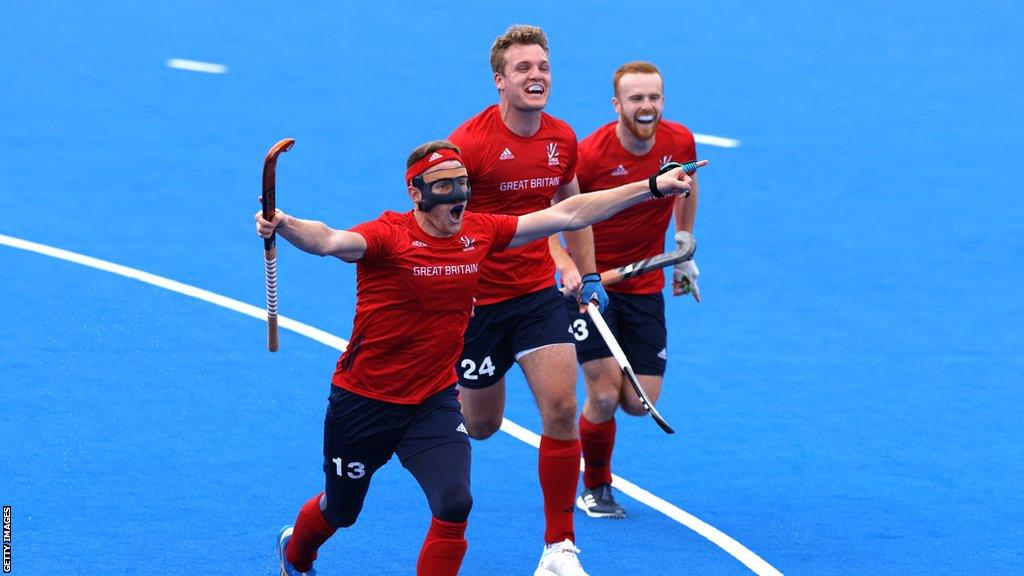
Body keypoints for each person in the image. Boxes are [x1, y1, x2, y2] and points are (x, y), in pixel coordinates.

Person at [256, 139, 701, 576]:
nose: (458, 196)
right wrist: (287, 224)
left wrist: (653, 186)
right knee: (342, 510)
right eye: (444, 186)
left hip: (431, 402)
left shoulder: (480, 232)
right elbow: (331, 240)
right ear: (416, 193)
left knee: (455, 503)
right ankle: (295, 555)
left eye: (462, 184)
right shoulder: (387, 237)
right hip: (364, 402)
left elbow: (567, 212)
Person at [446, 24, 605, 576]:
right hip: (477, 304)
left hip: (536, 295)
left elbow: (573, 206)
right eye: (523, 69)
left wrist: (585, 274)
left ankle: (559, 548)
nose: (536, 76)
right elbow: (439, 223)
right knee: (483, 426)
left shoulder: (562, 138)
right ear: (500, 81)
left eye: (542, 67)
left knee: (560, 408)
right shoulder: (467, 146)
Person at [549, 61, 702, 520]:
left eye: (654, 97)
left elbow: (688, 185)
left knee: (638, 403)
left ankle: (597, 469)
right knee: (603, 394)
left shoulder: (679, 142)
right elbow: (553, 218)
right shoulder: (589, 154)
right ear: (617, 105)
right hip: (592, 287)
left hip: (644, 285)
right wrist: (565, 265)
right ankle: (596, 487)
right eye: (636, 99)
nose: (647, 106)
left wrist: (683, 245)